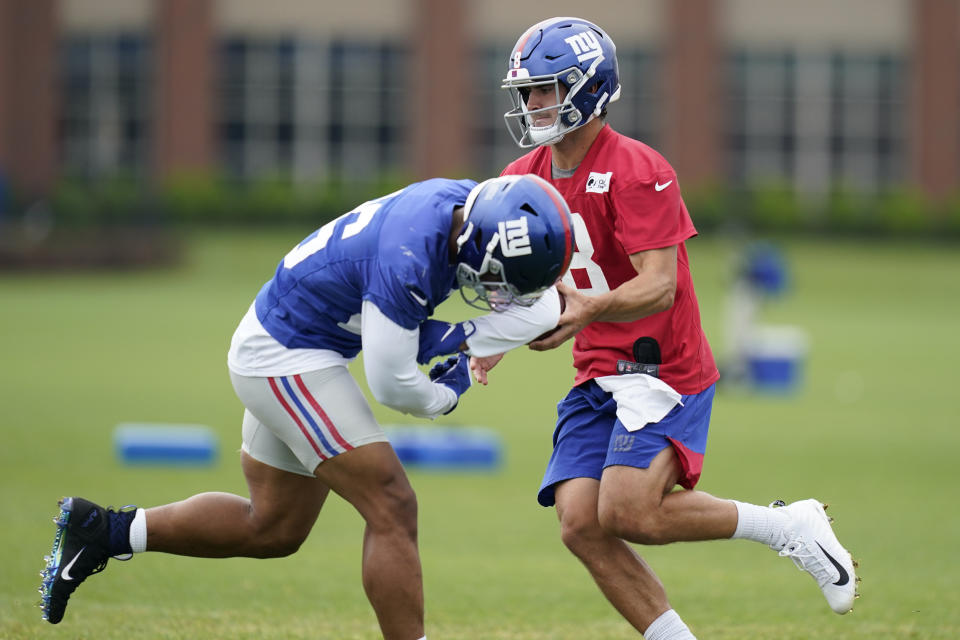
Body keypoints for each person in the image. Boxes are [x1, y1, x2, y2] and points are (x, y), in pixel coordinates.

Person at [38, 174, 575, 640]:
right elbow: (393, 385)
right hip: (285, 354)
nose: (499, 295)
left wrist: (467, 337)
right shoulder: (408, 256)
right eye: (498, 281)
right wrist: (448, 390)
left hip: (302, 340)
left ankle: (103, 531)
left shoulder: (464, 208)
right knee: (392, 503)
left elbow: (542, 307)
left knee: (272, 528)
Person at [477, 16, 859, 639]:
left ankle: (790, 526)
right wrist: (494, 344)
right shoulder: (522, 178)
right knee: (579, 521)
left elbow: (661, 284)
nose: (533, 103)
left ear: (589, 88)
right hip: (598, 371)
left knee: (629, 512)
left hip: (664, 366)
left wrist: (586, 311)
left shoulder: (637, 167)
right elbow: (524, 285)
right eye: (528, 91)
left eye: (547, 88)